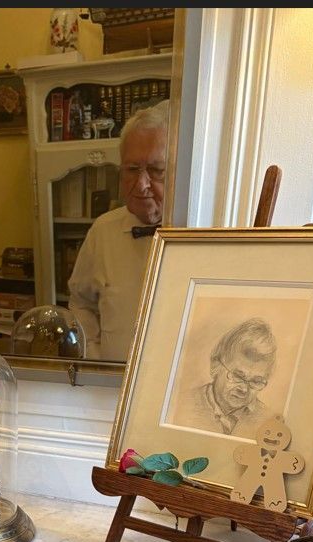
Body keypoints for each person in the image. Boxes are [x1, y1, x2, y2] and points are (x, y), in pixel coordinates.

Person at [68, 100, 169, 361]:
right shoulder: (102, 231)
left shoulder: (202, 234)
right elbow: (81, 302)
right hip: (110, 384)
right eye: (132, 170)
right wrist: (94, 355)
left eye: (157, 170)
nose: (142, 184)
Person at [174, 318, 277, 438]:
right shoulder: (181, 405)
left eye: (256, 381)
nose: (243, 389)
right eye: (238, 376)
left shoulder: (269, 422)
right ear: (215, 366)